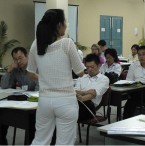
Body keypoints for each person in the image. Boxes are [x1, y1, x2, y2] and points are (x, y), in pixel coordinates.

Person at [27, 9, 85, 145]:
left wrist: (46, 79)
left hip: (45, 101)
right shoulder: (67, 43)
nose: (66, 24)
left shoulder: (36, 44)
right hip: (66, 101)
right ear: (59, 25)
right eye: (65, 21)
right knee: (64, 142)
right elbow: (80, 72)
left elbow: (30, 73)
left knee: (40, 140)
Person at [0, 47, 39, 145]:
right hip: (20, 102)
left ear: (27, 56)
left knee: (31, 123)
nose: (18, 61)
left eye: (20, 58)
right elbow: (4, 86)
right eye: (15, 59)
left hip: (33, 106)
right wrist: (9, 71)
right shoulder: (15, 70)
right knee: (3, 117)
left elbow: (39, 90)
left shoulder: (36, 67)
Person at [75, 54, 109, 121]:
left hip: (90, 107)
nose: (89, 69)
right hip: (76, 104)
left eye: (92, 67)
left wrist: (81, 97)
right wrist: (86, 92)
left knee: (65, 115)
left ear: (99, 66)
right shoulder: (81, 77)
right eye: (87, 67)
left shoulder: (104, 79)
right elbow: (75, 91)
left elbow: (93, 94)